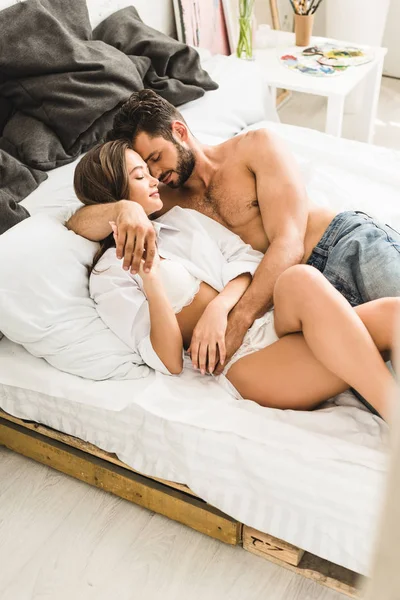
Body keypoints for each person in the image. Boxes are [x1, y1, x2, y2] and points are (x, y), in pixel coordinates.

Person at [67, 90, 400, 374]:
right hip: (293, 298)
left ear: (179, 132)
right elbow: (78, 224)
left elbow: (289, 243)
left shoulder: (254, 147)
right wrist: (124, 209)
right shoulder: (163, 200)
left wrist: (237, 321)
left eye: (156, 157)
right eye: (145, 167)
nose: (155, 173)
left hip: (344, 246)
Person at [72, 140, 399, 422]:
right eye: (141, 175)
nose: (155, 180)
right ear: (116, 192)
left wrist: (221, 306)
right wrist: (151, 280)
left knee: (304, 279)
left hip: (263, 319)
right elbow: (168, 361)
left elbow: (248, 259)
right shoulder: (108, 276)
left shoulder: (179, 221)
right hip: (244, 360)